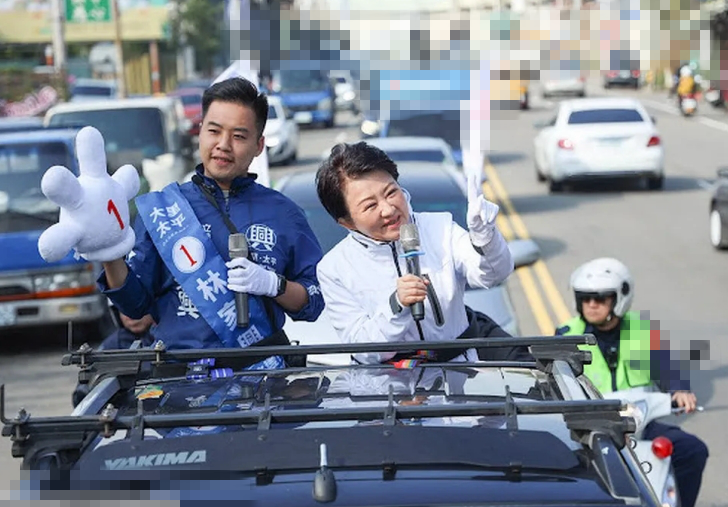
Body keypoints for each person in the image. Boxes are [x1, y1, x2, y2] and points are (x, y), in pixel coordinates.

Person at [39, 77, 325, 370]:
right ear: (199, 132)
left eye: (239, 136)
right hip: (180, 380)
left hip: (265, 377)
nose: (223, 145)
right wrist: (110, 250)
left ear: (259, 145)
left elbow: (313, 303)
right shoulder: (163, 208)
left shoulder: (284, 214)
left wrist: (274, 284)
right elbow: (135, 305)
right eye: (214, 131)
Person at [314, 142, 530, 366]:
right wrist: (396, 306)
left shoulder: (440, 227)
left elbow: (493, 274)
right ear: (347, 222)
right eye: (370, 206)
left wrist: (486, 237)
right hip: (387, 383)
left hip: (461, 373)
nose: (388, 209)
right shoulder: (334, 268)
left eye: (391, 192)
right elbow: (362, 349)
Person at [555, 258, 708, 507]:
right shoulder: (566, 335)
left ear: (620, 299)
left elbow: (667, 366)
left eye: (600, 298)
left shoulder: (642, 330)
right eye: (585, 298)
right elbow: (554, 379)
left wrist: (680, 389)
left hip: (639, 422)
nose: (592, 304)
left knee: (692, 450)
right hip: (589, 427)